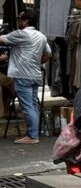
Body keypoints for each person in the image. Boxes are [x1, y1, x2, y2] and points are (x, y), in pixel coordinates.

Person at [0, 9, 51, 144]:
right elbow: (48, 54)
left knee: (27, 106)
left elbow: (2, 40)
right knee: (32, 105)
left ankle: (32, 136)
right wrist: (35, 61)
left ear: (26, 20)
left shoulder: (21, 34)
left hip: (22, 75)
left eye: (19, 19)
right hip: (34, 74)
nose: (18, 21)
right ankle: (32, 133)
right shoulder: (41, 36)